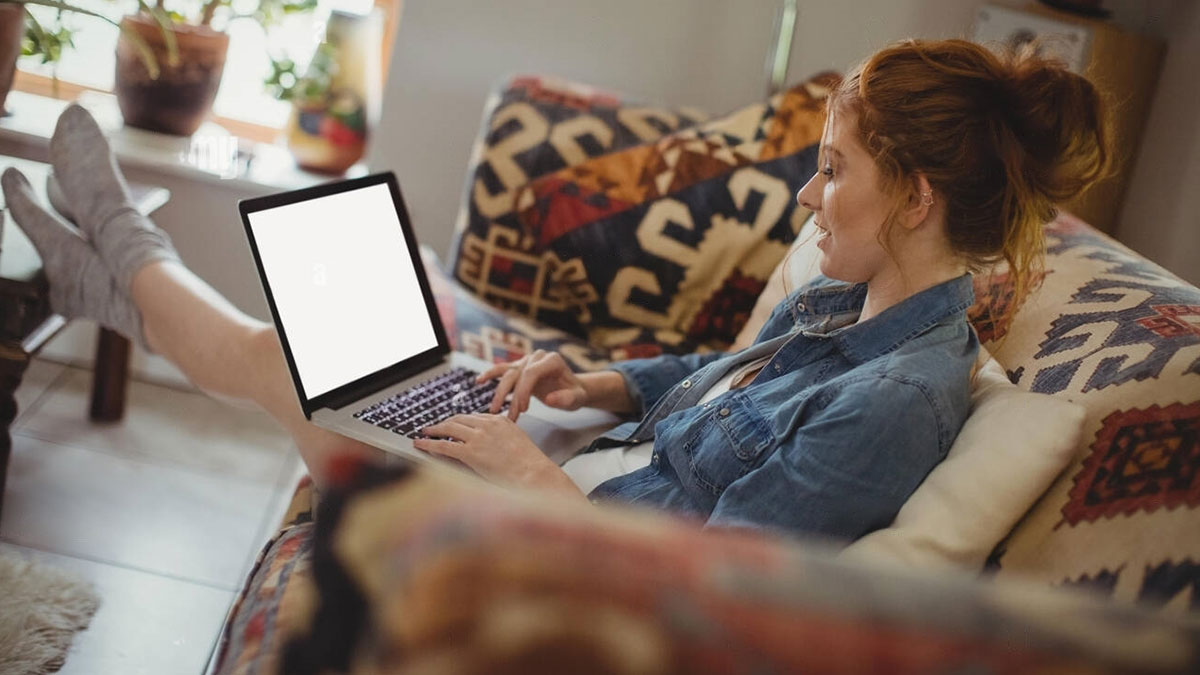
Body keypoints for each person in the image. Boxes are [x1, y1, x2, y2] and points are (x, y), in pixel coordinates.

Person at [1, 38, 1107, 543]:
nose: (808, 196)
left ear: (915, 198)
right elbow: (700, 379)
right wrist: (594, 384)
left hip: (561, 555)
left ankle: (119, 252)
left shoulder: (894, 405)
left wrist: (530, 470)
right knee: (352, 371)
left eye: (833, 169)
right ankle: (110, 268)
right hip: (570, 487)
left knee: (298, 367)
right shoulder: (846, 310)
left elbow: (708, 595)